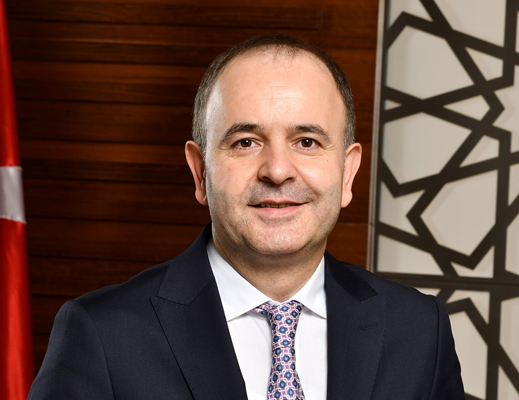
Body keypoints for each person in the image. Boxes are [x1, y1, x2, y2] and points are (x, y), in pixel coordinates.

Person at [27, 34, 465, 400]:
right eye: (245, 142)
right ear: (200, 172)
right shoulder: (102, 335)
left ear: (348, 173)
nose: (277, 170)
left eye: (307, 141)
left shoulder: (418, 330)